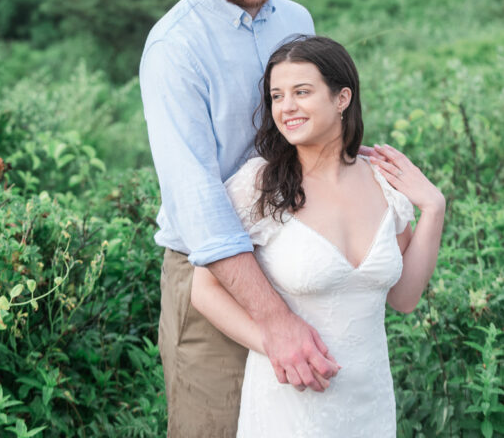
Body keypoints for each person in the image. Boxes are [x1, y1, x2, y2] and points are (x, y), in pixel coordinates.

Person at [140, 0, 340, 438]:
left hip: (298, 257)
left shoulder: (296, 21)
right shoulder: (175, 48)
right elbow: (198, 200)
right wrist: (274, 321)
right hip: (214, 279)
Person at [191, 35, 446, 437]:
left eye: (302, 92)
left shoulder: (383, 183)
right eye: (277, 95)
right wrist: (271, 341)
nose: (286, 107)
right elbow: (203, 291)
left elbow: (404, 298)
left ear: (342, 98)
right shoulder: (258, 185)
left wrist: (433, 208)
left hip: (371, 405)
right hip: (290, 404)